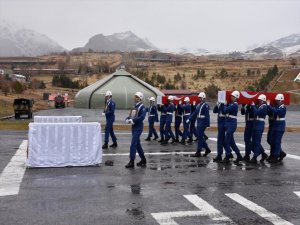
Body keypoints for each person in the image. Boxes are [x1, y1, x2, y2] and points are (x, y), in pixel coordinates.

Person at [125, 92, 147, 168]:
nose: (135, 98)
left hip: (138, 127)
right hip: (134, 127)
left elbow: (142, 117)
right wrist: (127, 119)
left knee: (133, 143)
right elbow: (131, 116)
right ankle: (143, 159)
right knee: (137, 144)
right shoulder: (135, 106)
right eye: (135, 97)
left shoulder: (142, 107)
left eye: (136, 97)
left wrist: (133, 120)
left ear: (140, 98)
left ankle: (132, 161)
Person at [187, 92, 210, 157]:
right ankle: (207, 149)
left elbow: (207, 115)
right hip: (199, 121)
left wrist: (208, 124)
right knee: (200, 137)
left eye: (200, 98)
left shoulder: (205, 105)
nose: (199, 99)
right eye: (199, 98)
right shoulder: (198, 105)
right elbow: (194, 113)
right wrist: (189, 119)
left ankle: (198, 151)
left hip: (203, 122)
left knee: (199, 137)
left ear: (203, 98)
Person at [222, 91, 243, 163]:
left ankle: (228, 155)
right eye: (231, 96)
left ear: (236, 97)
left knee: (226, 141)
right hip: (229, 124)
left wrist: (224, 105)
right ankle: (239, 155)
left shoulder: (234, 105)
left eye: (233, 96)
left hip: (231, 124)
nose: (231, 97)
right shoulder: (231, 104)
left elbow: (225, 110)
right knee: (231, 142)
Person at [267, 93, 287, 163]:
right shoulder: (277, 106)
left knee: (277, 142)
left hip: (280, 126)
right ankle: (277, 154)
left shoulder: (282, 107)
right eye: (276, 100)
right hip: (275, 125)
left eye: (278, 100)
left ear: (281, 101)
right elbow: (271, 112)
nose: (276, 101)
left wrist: (269, 105)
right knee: (272, 141)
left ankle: (276, 156)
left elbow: (276, 112)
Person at [249, 94, 268, 163]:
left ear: (263, 100)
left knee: (257, 141)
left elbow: (257, 112)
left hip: (260, 124)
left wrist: (253, 105)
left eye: (260, 100)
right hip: (256, 124)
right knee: (254, 141)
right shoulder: (260, 106)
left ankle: (255, 157)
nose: (259, 101)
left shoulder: (264, 106)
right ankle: (263, 154)